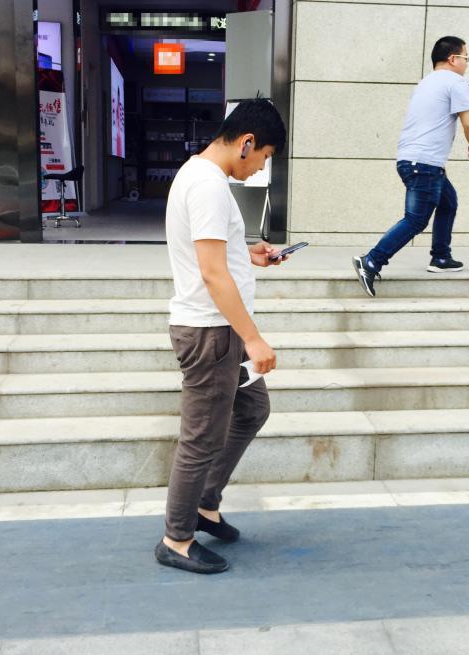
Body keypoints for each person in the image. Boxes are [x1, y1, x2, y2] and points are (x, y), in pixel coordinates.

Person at [155, 99, 288, 574]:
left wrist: (249, 254)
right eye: (265, 156)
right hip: (212, 334)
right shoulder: (209, 186)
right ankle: (177, 537)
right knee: (201, 439)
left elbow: (216, 257)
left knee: (253, 409)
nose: (260, 167)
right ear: (247, 142)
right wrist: (254, 339)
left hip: (220, 329)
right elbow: (212, 275)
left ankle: (205, 506)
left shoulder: (201, 177)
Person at [353, 36, 469, 297]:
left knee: (448, 202)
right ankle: (373, 261)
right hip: (425, 164)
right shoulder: (456, 81)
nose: (467, 64)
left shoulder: (425, 82)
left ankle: (441, 257)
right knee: (417, 219)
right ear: (453, 59)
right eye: (466, 58)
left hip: (412, 160)